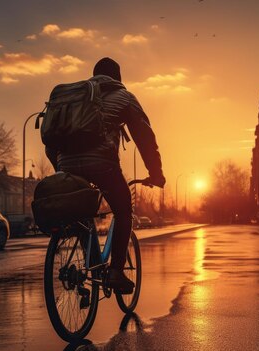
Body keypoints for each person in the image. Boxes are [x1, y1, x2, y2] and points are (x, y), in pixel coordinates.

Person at [45, 57, 165, 293]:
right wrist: (156, 173)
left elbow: (51, 140)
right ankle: (115, 272)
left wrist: (60, 169)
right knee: (123, 210)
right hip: (102, 164)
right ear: (118, 78)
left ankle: (89, 264)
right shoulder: (125, 96)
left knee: (83, 213)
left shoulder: (74, 100)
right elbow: (144, 137)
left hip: (65, 163)